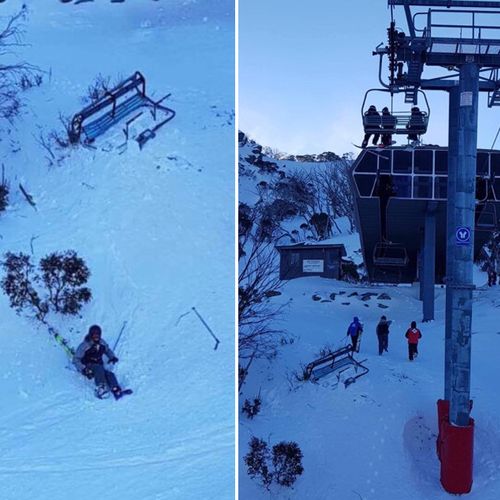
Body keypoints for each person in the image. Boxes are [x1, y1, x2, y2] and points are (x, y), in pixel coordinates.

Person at [73, 324, 123, 399]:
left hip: (99, 365)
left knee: (109, 374)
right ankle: (101, 388)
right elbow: (76, 359)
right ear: (90, 335)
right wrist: (83, 369)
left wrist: (112, 357)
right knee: (98, 368)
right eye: (94, 334)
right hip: (88, 365)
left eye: (98, 334)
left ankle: (115, 388)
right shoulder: (85, 345)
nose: (96, 336)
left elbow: (107, 350)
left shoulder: (102, 342)